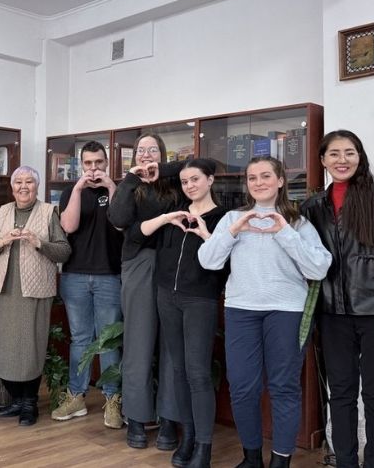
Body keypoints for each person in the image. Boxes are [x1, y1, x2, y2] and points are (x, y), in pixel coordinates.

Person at [198, 156, 331, 468]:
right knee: (242, 387)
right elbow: (208, 261)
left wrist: (284, 232)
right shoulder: (233, 218)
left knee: (284, 387)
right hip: (241, 310)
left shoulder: (298, 223)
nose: (259, 182)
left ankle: (281, 460)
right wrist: (234, 230)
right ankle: (252, 458)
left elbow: (318, 267)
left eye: (266, 176)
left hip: (286, 312)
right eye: (252, 177)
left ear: (280, 180)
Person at [301, 130, 374, 468]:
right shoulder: (311, 207)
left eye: (349, 152)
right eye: (334, 153)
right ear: (323, 160)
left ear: (359, 157)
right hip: (332, 315)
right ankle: (346, 463)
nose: (342, 160)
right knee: (341, 395)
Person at [141, 159, 228, 468]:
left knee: (198, 373)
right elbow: (139, 232)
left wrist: (206, 234)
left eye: (195, 179)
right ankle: (188, 435)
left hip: (200, 300)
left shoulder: (223, 218)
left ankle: (204, 447)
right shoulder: (176, 213)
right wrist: (167, 218)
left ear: (210, 180)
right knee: (178, 369)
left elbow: (225, 262)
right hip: (167, 296)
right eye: (184, 181)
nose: (189, 185)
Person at [106, 132, 181, 450]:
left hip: (175, 264)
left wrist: (160, 171)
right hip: (139, 263)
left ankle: (169, 419)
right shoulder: (130, 185)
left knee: (172, 345)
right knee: (138, 342)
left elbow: (205, 166)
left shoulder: (175, 182)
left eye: (153, 150)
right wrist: (131, 179)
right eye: (141, 150)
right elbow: (118, 218)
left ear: (162, 154)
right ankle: (136, 417)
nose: (146, 155)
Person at [0, 166, 71, 427]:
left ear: (37, 186)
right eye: (18, 182)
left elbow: (64, 251)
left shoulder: (48, 212)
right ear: (12, 188)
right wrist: (4, 241)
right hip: (5, 289)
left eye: (29, 182)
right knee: (3, 347)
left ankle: (29, 402)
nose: (23, 187)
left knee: (31, 347)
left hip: (35, 291)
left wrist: (38, 242)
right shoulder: (3, 211)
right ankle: (17, 400)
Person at [51, 141, 124, 429]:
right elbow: (68, 227)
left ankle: (113, 399)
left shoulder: (118, 190)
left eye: (99, 163)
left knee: (108, 340)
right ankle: (76, 396)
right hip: (75, 276)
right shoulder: (71, 191)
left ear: (107, 163)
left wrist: (112, 187)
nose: (94, 169)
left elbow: (120, 223)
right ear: (81, 165)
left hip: (109, 275)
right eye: (88, 163)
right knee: (80, 339)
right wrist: (79, 190)